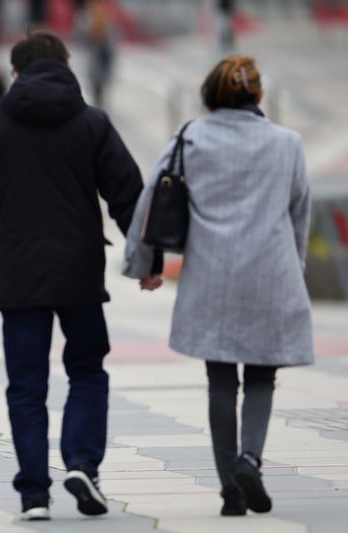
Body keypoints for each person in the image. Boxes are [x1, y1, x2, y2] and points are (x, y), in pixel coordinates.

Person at [123, 55, 313, 517]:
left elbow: (154, 198)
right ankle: (251, 458)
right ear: (258, 95)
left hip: (211, 275)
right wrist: (296, 272)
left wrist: (144, 263)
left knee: (221, 380)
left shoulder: (190, 137)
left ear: (210, 95)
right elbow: (300, 213)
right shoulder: (287, 143)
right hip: (271, 272)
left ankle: (230, 486)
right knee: (263, 375)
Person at [0, 31, 146, 520]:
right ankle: (82, 462)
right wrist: (147, 261)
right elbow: (127, 193)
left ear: (16, 73)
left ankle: (34, 495)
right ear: (67, 67)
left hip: (18, 272)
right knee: (87, 370)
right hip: (80, 272)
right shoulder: (92, 122)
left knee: (26, 385)